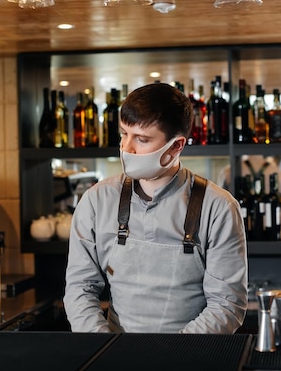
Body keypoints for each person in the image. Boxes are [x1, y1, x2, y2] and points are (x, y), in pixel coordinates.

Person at [64, 83, 248, 334]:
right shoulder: (97, 200)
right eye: (124, 134)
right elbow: (80, 288)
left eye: (142, 139)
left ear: (176, 146)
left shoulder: (218, 208)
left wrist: (170, 357)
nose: (127, 148)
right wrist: (102, 347)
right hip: (115, 355)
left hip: (190, 358)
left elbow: (227, 305)